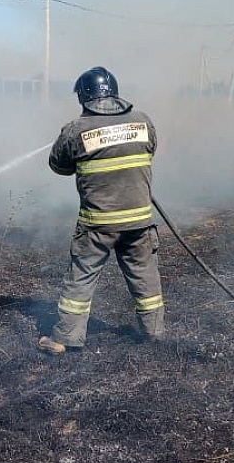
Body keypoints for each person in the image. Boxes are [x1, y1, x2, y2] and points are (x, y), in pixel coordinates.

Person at [38, 66, 165, 354]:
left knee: (81, 278)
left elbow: (58, 166)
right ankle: (155, 331)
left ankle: (66, 337)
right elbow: (149, 151)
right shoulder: (143, 122)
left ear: (84, 96)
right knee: (145, 276)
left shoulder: (75, 130)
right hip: (139, 221)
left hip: (97, 225)